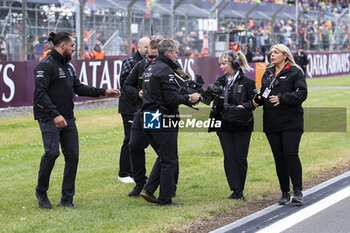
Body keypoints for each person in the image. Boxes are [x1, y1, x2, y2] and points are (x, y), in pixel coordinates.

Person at [33, 31, 121, 209]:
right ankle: (41, 192)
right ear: (63, 46)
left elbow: (79, 88)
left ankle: (67, 199)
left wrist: (103, 91)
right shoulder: (45, 66)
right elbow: (40, 94)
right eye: (72, 46)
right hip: (49, 117)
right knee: (52, 153)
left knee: (72, 156)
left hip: (68, 118)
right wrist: (55, 114)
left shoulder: (69, 66)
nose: (75, 49)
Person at [139, 38, 200, 206]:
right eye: (176, 52)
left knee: (164, 155)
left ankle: (148, 189)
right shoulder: (165, 70)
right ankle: (165, 199)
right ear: (168, 53)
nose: (177, 55)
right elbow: (171, 98)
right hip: (161, 116)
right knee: (170, 159)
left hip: (147, 114)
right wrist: (189, 97)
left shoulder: (150, 68)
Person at [253, 44, 307, 205]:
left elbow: (302, 93)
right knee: (279, 158)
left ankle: (298, 191)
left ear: (285, 55)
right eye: (271, 53)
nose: (272, 55)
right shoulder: (268, 72)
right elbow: (264, 92)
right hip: (271, 122)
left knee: (291, 154)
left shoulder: (295, 71)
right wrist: (258, 100)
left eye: (276, 52)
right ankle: (285, 192)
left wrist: (282, 98)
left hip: (292, 121)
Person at [207, 50, 255, 201]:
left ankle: (240, 189)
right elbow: (208, 97)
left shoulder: (248, 82)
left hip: (242, 124)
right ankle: (235, 189)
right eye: (220, 64)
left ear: (234, 64)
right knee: (228, 156)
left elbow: (254, 101)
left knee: (240, 157)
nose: (221, 67)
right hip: (224, 124)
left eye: (224, 64)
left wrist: (243, 107)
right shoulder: (219, 81)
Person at [123, 38, 161, 197]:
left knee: (164, 150)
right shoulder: (140, 66)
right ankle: (140, 183)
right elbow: (126, 85)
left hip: (158, 112)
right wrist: (137, 93)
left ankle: (168, 183)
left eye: (154, 57)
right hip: (141, 110)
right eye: (149, 57)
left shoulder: (169, 67)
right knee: (134, 145)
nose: (151, 60)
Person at [118, 37, 150, 183]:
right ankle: (124, 173)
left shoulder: (149, 62)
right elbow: (124, 84)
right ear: (138, 47)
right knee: (129, 139)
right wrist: (138, 92)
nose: (147, 50)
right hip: (129, 106)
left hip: (140, 106)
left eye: (149, 47)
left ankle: (135, 173)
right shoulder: (131, 61)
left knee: (139, 141)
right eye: (145, 47)